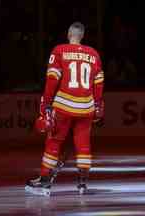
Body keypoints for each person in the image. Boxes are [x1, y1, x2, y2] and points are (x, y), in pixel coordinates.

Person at [25, 22, 104, 196]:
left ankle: (45, 182)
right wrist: (97, 105)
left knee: (54, 141)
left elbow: (52, 80)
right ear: (82, 36)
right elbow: (98, 83)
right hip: (86, 107)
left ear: (69, 34)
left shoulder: (59, 50)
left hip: (64, 105)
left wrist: (45, 105)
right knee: (83, 144)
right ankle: (82, 183)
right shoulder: (94, 54)